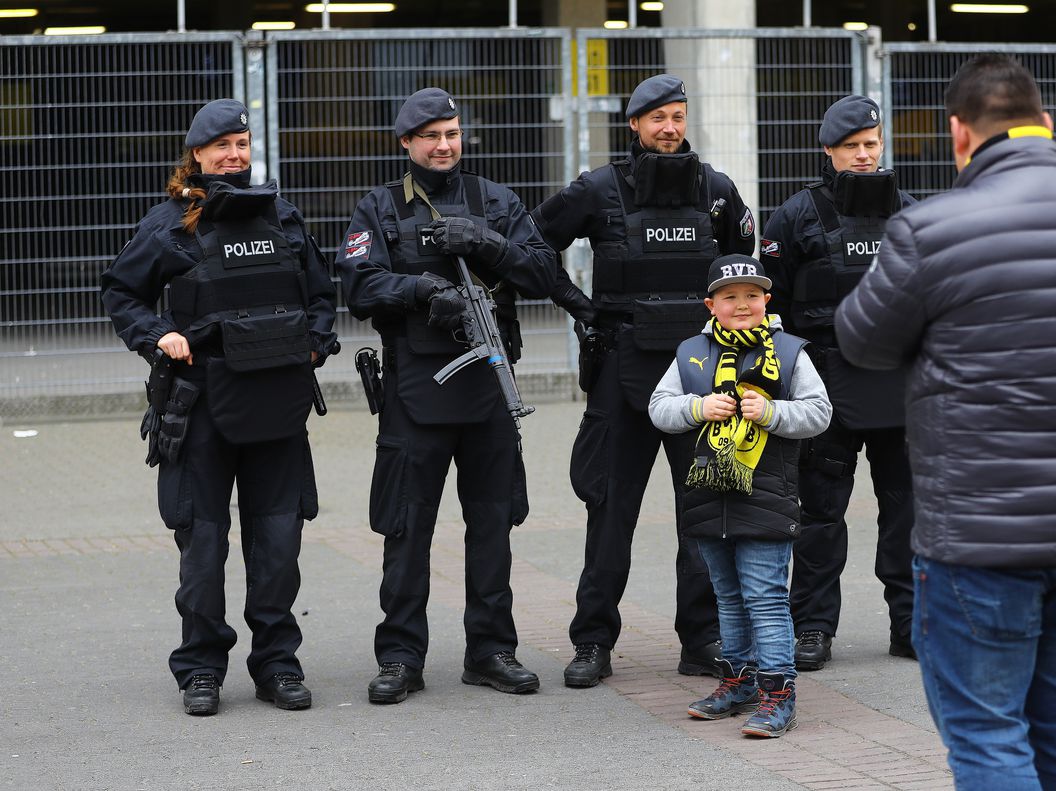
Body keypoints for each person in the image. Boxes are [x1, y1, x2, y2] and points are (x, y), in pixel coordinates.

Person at [835, 55, 1056, 788]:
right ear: (1046, 123)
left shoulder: (929, 230)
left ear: (959, 134)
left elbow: (862, 341)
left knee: (989, 733)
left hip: (979, 534)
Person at [100, 99, 340, 716]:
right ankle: (201, 668)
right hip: (200, 403)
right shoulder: (172, 223)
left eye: (242, 145)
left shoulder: (281, 217)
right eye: (222, 147)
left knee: (280, 543)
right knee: (203, 550)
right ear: (198, 156)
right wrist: (158, 336)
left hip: (276, 403)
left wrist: (315, 343)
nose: (234, 157)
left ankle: (277, 664)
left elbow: (320, 294)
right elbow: (122, 292)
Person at [532, 74, 757, 687]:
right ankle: (594, 641)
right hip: (623, 371)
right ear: (633, 124)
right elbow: (531, 244)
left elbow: (749, 273)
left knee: (706, 511)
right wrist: (581, 306)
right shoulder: (599, 189)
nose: (669, 128)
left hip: (704, 375)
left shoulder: (716, 192)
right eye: (656, 117)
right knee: (610, 510)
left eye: (678, 116)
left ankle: (703, 639)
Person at [336, 87, 556, 701]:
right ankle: (401, 658)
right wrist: (421, 291)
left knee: (492, 524)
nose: (443, 146)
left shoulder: (495, 201)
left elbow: (543, 274)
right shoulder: (380, 208)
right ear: (406, 143)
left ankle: (491, 650)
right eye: (430, 136)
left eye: (452, 134)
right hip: (414, 394)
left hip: (490, 389)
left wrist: (490, 246)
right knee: (407, 529)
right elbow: (358, 285)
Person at [760, 95, 917, 669]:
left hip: (898, 387)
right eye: (851, 147)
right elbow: (766, 302)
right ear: (829, 152)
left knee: (907, 512)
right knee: (821, 516)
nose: (863, 156)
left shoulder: (910, 213)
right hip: (825, 387)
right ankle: (813, 628)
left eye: (871, 145)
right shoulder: (798, 215)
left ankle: (910, 624)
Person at [649, 254, 831, 738]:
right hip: (708, 494)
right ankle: (739, 682)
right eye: (730, 297)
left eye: (752, 295)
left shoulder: (791, 352)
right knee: (727, 598)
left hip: (766, 495)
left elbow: (819, 413)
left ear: (767, 300)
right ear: (711, 305)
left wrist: (771, 412)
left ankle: (778, 693)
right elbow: (659, 408)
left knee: (765, 598)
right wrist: (697, 406)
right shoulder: (690, 352)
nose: (742, 304)